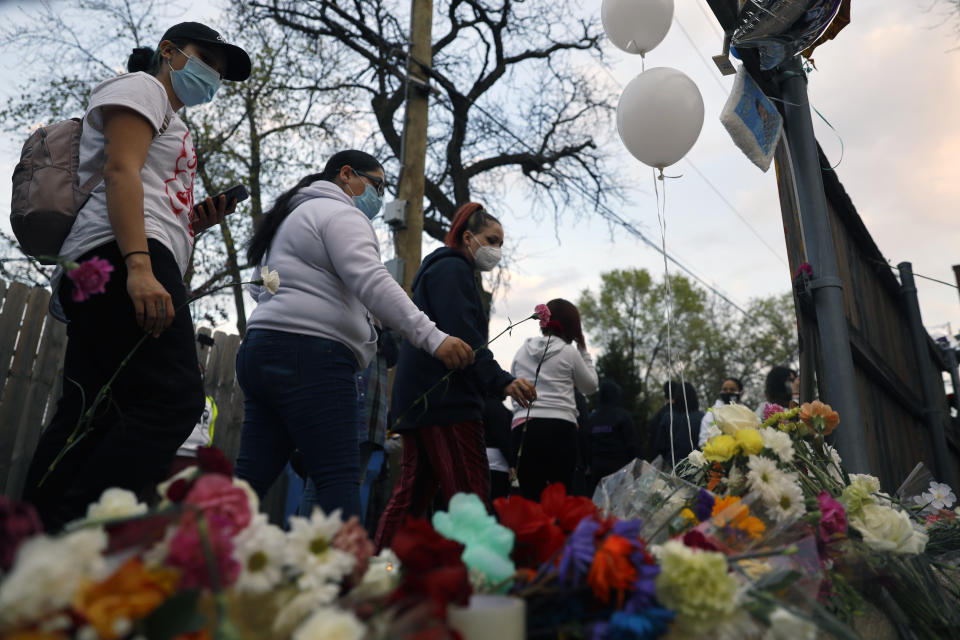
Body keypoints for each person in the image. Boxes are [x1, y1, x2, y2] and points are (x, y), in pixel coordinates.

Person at [22, 22, 251, 530]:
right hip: (126, 254)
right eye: (205, 59)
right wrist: (142, 266)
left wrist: (194, 223)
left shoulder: (174, 122)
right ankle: (86, 536)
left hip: (114, 256)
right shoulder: (143, 87)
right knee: (174, 398)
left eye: (220, 71)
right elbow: (121, 172)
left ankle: (34, 540)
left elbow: (145, 190)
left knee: (87, 412)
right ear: (168, 52)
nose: (213, 75)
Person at [234, 151, 475, 520]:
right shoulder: (342, 213)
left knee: (248, 483)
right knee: (337, 485)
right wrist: (434, 337)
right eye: (377, 185)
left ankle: (197, 561)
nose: (379, 197)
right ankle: (341, 576)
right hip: (313, 358)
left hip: (260, 350)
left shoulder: (290, 218)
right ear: (347, 175)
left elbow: (260, 289)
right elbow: (372, 281)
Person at [374, 203, 536, 550]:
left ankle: (382, 565)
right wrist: (502, 381)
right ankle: (475, 577)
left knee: (413, 495)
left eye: (501, 243)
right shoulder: (452, 270)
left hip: (423, 399)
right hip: (446, 401)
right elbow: (464, 336)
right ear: (467, 237)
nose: (497, 250)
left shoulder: (445, 271)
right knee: (470, 497)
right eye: (491, 240)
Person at [298, 326, 399, 518]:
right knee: (319, 482)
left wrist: (382, 329)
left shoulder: (388, 306)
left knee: (352, 486)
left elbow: (394, 354)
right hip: (336, 395)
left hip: (371, 403)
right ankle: (300, 546)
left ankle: (335, 545)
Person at [510, 298, 598, 500]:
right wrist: (583, 348)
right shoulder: (569, 352)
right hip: (561, 427)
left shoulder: (521, 352)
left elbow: (514, 383)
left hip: (524, 425)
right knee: (559, 497)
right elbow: (590, 386)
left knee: (529, 497)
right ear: (572, 326)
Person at [585, 380, 637, 495]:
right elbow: (632, 444)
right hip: (619, 468)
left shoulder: (592, 418)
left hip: (597, 468)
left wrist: (589, 463)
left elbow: (586, 444)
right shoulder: (623, 416)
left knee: (599, 504)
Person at [649, 381, 704, 468]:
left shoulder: (667, 417)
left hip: (673, 467)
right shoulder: (702, 417)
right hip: (699, 468)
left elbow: (659, 446)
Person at [482, 396, 514, 501]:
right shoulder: (496, 406)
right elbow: (502, 437)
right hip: (497, 466)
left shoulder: (478, 406)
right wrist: (512, 462)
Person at [698, 377, 744, 448]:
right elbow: (703, 440)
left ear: (741, 393)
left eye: (732, 389)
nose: (728, 392)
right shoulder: (712, 412)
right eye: (725, 389)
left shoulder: (745, 412)